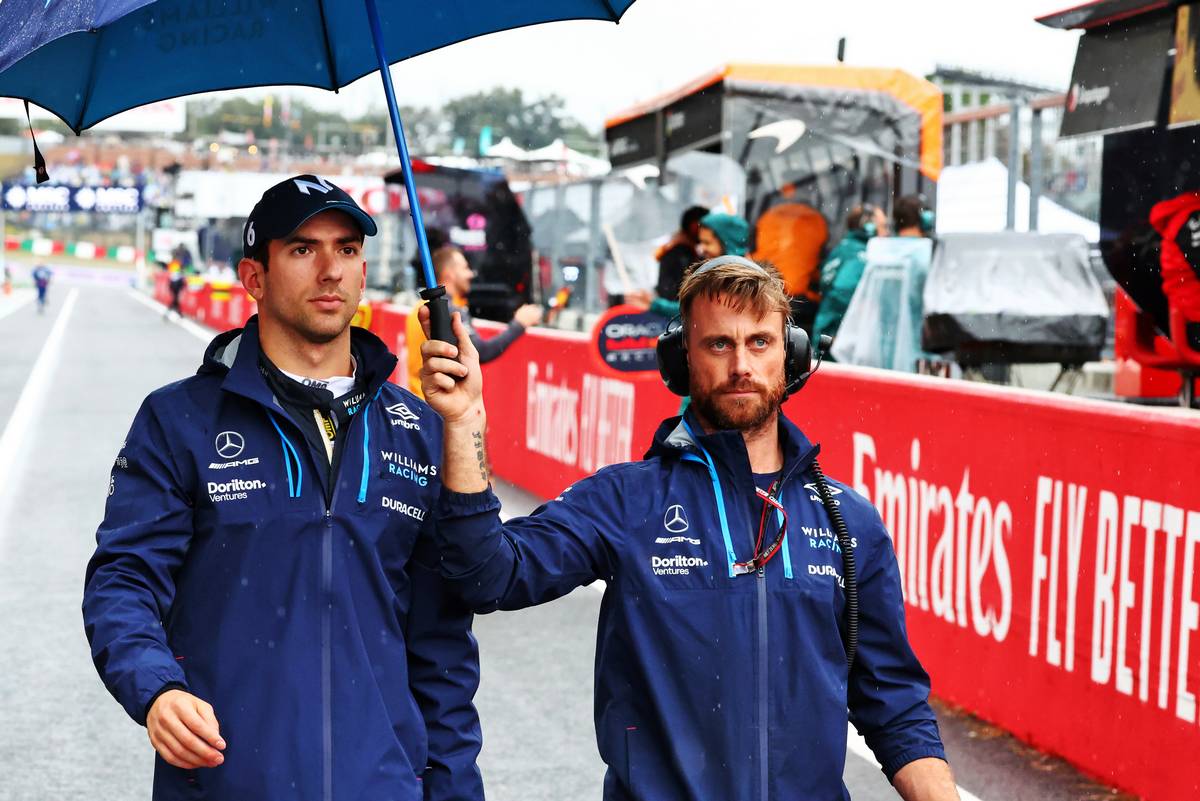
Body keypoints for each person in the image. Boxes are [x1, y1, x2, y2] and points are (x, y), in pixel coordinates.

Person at [420, 256, 960, 801]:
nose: (741, 366)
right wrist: (464, 425)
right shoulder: (627, 500)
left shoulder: (849, 522)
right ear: (681, 360)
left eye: (760, 343)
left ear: (790, 356)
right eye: (719, 344)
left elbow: (892, 703)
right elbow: (487, 575)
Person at [84, 174, 484, 801]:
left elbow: (441, 648)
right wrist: (156, 688)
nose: (331, 270)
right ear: (254, 277)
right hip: (227, 781)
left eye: (347, 249)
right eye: (303, 249)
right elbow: (123, 580)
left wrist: (456, 791)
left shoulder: (417, 431)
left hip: (380, 784)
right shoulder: (177, 420)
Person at [405, 243, 542, 398]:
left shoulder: (419, 308)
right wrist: (519, 324)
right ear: (450, 274)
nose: (471, 274)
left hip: (418, 400)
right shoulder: (447, 310)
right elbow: (480, 351)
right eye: (465, 268)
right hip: (436, 407)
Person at [813, 202, 890, 348]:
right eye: (883, 226)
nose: (886, 233)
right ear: (869, 227)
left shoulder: (841, 249)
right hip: (839, 337)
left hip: (825, 329)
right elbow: (842, 292)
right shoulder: (861, 255)